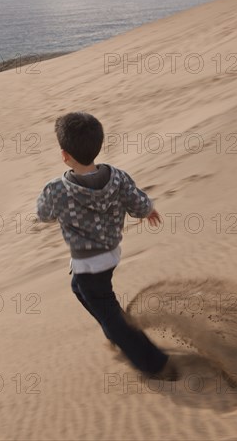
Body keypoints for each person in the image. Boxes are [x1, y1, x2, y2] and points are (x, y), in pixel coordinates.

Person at [36, 111, 177, 380]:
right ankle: (114, 329)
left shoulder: (56, 189)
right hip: (111, 254)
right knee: (80, 289)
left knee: (104, 305)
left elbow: (43, 214)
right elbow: (138, 202)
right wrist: (149, 211)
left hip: (88, 263)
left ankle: (154, 363)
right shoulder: (118, 177)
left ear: (64, 155)